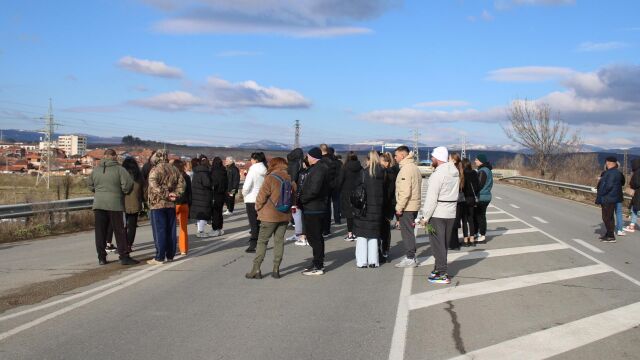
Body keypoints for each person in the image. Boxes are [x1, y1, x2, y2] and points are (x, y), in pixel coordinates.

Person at [245, 157, 296, 279]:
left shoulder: (270, 178)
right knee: (279, 242)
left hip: (269, 217)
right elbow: (294, 200)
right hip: (284, 216)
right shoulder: (290, 179)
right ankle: (276, 269)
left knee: (262, 242)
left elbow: (261, 197)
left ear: (273, 165)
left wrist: (258, 208)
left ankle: (256, 269)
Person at [86, 149, 138, 265]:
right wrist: (123, 192)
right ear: (114, 156)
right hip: (116, 204)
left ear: (104, 157)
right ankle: (124, 256)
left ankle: (101, 258)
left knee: (100, 232)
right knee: (120, 231)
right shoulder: (120, 169)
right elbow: (128, 184)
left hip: (99, 204)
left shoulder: (96, 170)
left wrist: (98, 192)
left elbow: (89, 184)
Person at [419, 147, 459, 284]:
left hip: (438, 213)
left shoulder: (437, 175)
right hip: (451, 212)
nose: (431, 159)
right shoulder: (454, 172)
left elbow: (431, 199)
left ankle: (442, 273)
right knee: (444, 243)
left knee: (437, 244)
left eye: (433, 157)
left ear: (438, 158)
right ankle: (438, 269)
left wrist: (424, 217)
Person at [147, 149, 186, 264]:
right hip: (171, 204)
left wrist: (166, 194)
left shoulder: (155, 169)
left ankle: (159, 257)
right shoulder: (174, 169)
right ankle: (170, 255)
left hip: (157, 204)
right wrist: (176, 194)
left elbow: (153, 184)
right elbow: (182, 184)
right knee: (170, 230)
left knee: (159, 230)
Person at [299, 147, 330, 275]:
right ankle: (317, 261)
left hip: (314, 208)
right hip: (314, 207)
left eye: (308, 156)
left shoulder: (319, 169)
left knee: (315, 238)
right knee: (315, 237)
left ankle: (318, 266)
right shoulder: (317, 168)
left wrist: (303, 199)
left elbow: (314, 189)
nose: (307, 158)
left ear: (313, 157)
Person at [353, 151, 384, 268]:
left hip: (364, 208)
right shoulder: (382, 173)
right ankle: (373, 261)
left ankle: (362, 261)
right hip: (377, 207)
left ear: (368, 159)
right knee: (373, 235)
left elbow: (357, 189)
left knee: (362, 235)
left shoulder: (364, 173)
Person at [393, 146, 422, 268]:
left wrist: (399, 207)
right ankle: (410, 256)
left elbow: (405, 191)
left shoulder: (406, 169)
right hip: (413, 205)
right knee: (409, 232)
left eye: (396, 155)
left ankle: (410, 258)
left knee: (407, 233)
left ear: (403, 155)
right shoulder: (414, 167)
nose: (395, 157)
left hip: (408, 206)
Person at [242, 152, 268, 252]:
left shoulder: (253, 169)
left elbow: (247, 185)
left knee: (253, 223)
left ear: (256, 160)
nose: (251, 161)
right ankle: (262, 243)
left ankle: (253, 244)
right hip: (261, 198)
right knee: (260, 222)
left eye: (251, 159)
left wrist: (244, 194)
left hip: (251, 198)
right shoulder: (265, 169)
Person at [596, 156, 624, 243]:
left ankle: (611, 236)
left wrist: (601, 194)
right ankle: (608, 234)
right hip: (612, 197)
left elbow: (608, 186)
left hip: (608, 198)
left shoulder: (611, 173)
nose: (606, 164)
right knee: (609, 217)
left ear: (609, 163)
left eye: (607, 162)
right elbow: (622, 182)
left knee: (606, 217)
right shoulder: (616, 172)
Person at [122, 157, 144, 253]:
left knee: (122, 226)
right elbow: (144, 189)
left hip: (122, 204)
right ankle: (129, 245)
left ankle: (123, 244)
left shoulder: (121, 174)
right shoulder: (139, 176)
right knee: (132, 226)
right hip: (135, 203)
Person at [286, 148, 307, 244]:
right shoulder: (300, 163)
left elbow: (293, 179)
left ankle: (299, 234)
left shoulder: (294, 164)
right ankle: (299, 233)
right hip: (299, 190)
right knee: (297, 212)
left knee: (296, 212)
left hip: (294, 191)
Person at [340, 151, 362, 241]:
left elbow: (340, 180)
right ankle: (357, 233)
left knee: (349, 214)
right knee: (357, 212)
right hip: (358, 192)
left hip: (346, 192)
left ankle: (350, 234)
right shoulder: (360, 168)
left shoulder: (344, 168)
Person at [380, 152, 398, 263]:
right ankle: (385, 250)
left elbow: (389, 193)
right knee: (385, 230)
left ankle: (383, 251)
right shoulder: (393, 172)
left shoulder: (388, 174)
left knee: (383, 230)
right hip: (389, 206)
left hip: (385, 206)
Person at [190, 157, 213, 238]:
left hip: (196, 195)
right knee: (203, 213)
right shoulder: (204, 173)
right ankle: (200, 231)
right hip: (203, 195)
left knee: (199, 214)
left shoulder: (196, 172)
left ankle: (200, 230)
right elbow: (207, 184)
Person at [173, 159, 192, 255]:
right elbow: (190, 193)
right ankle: (183, 249)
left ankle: (171, 248)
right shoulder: (186, 177)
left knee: (171, 227)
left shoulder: (172, 177)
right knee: (183, 228)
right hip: (184, 204)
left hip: (174, 205)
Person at [320, 145, 339, 236]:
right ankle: (327, 229)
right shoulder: (333, 160)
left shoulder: (321, 160)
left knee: (323, 207)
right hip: (332, 186)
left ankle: (323, 229)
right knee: (328, 208)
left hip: (324, 186)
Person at [461, 158, 480, 247]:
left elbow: (461, 188)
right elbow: (477, 187)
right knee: (471, 219)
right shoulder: (474, 173)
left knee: (464, 220)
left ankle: (465, 240)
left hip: (463, 199)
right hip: (472, 199)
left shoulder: (462, 174)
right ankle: (472, 239)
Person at [474, 154, 493, 243]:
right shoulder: (488, 170)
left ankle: (481, 235)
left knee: (480, 216)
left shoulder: (482, 171)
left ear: (481, 161)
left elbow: (479, 185)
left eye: (476, 160)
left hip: (481, 197)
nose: (475, 161)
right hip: (487, 195)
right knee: (481, 216)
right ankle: (480, 233)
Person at [449, 153, 464, 251]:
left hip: (453, 199)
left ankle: (453, 244)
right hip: (460, 200)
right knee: (455, 222)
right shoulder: (460, 171)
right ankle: (454, 243)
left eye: (449, 158)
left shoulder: (453, 172)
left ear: (453, 160)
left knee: (452, 223)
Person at [210, 157, 228, 237]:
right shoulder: (224, 171)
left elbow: (213, 183)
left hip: (215, 193)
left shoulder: (214, 172)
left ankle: (215, 229)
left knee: (215, 213)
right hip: (222, 194)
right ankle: (220, 228)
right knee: (220, 212)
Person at [625, 159, 640, 232]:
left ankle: (632, 226)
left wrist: (632, 185)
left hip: (637, 193)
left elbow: (636, 183)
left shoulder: (637, 172)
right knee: (635, 209)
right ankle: (632, 225)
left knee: (635, 209)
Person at [613, 162, 627, 236]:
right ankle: (620, 230)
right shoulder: (620, 174)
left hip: (608, 196)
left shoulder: (606, 173)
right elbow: (623, 183)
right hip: (618, 196)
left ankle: (609, 230)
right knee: (618, 213)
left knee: (609, 213)